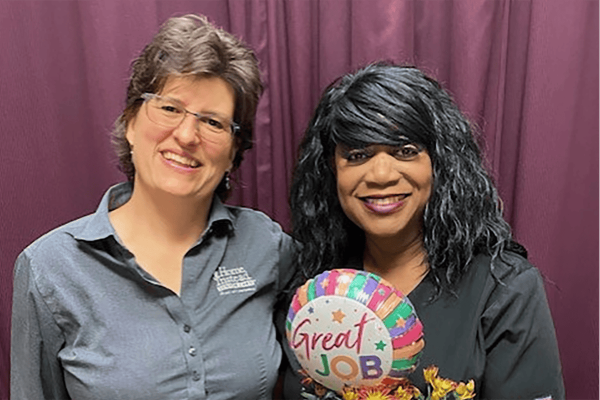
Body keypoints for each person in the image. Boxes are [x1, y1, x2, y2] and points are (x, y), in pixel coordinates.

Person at [11, 14, 293, 400]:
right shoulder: (50, 268)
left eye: (213, 123)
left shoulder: (267, 246)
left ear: (233, 154)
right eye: (170, 108)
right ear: (130, 123)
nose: (187, 135)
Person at [279, 62, 565, 399]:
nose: (381, 175)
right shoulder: (309, 284)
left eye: (405, 151)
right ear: (332, 169)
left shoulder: (504, 290)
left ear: (438, 162)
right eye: (357, 155)